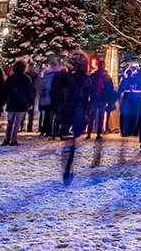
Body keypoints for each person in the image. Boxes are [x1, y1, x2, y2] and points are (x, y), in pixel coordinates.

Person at [61, 51, 92, 184]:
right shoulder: (86, 79)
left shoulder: (69, 78)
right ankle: (68, 165)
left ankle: (67, 165)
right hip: (78, 110)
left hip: (69, 109)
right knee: (73, 140)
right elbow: (89, 95)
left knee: (70, 140)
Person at [3, 60, 34, 147]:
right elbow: (30, 92)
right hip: (22, 102)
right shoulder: (27, 79)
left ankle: (7, 139)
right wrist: (30, 102)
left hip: (11, 102)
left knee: (10, 122)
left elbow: (4, 91)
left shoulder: (10, 78)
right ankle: (13, 140)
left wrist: (6, 100)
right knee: (17, 123)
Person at [87, 59, 115, 140]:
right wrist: (109, 101)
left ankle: (89, 133)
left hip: (94, 98)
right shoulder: (107, 77)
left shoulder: (93, 76)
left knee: (92, 116)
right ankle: (99, 133)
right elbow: (110, 90)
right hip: (103, 99)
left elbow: (89, 86)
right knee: (101, 117)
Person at [37, 60, 58, 137]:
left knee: (47, 115)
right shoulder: (56, 75)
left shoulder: (46, 74)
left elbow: (43, 86)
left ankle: (45, 130)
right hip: (54, 97)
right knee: (54, 115)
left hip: (46, 97)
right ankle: (54, 130)